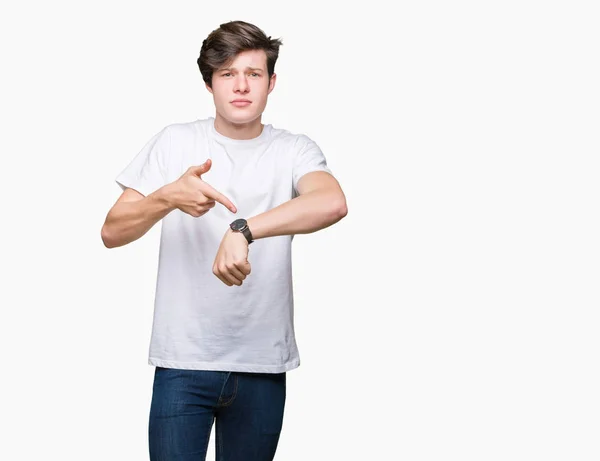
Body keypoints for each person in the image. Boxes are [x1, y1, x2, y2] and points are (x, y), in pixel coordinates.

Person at [101, 20, 348, 461]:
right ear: (209, 83)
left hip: (261, 363)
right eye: (227, 74)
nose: (240, 86)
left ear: (272, 83)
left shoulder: (294, 149)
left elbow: (331, 201)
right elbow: (112, 231)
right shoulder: (176, 142)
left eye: (253, 74)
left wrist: (243, 229)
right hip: (183, 362)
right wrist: (166, 197)